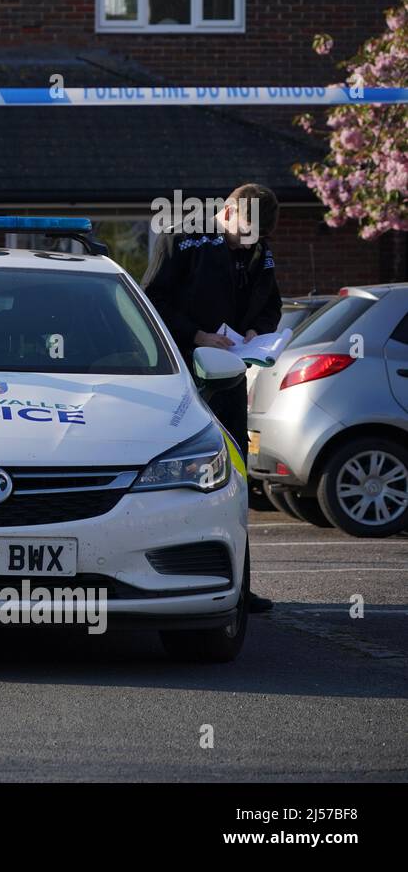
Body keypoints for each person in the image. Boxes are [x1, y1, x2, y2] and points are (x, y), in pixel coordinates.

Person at [141, 182, 282, 613]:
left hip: (230, 375)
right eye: (242, 232)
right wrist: (197, 335)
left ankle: (238, 584)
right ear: (224, 212)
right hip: (181, 375)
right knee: (179, 475)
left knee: (236, 477)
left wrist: (259, 329)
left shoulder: (260, 250)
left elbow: (269, 304)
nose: (247, 242)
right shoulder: (183, 239)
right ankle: (161, 575)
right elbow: (151, 301)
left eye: (256, 236)